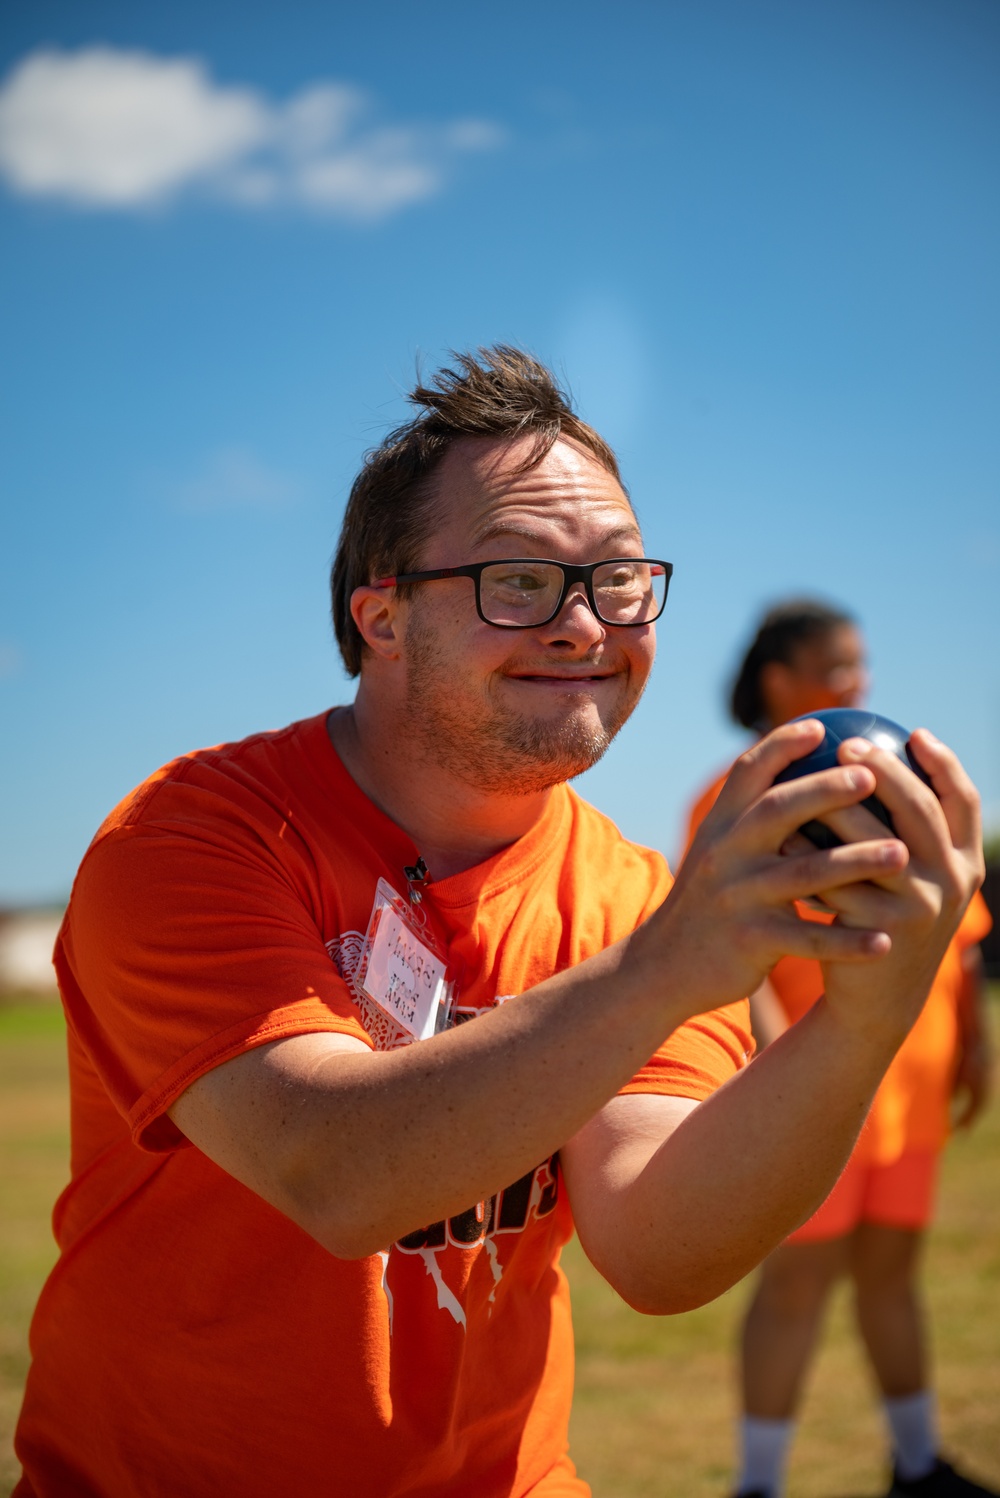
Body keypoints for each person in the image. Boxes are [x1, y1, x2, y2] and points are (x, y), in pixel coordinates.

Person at [14, 351, 984, 1498]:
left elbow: (660, 1248)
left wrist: (866, 1018)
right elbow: (333, 1170)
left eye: (620, 581)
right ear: (379, 615)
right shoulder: (192, 837)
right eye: (518, 580)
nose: (585, 626)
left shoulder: (624, 893)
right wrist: (664, 963)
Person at [682, 599, 995, 1498]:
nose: (861, 684)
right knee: (798, 1284)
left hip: (916, 1077)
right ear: (780, 681)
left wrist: (975, 1044)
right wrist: (772, 1078)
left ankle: (917, 1464)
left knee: (893, 1274)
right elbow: (724, 959)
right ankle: (759, 1484)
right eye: (839, 666)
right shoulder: (735, 797)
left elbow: (956, 934)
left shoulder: (892, 778)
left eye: (861, 667)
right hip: (818, 1086)